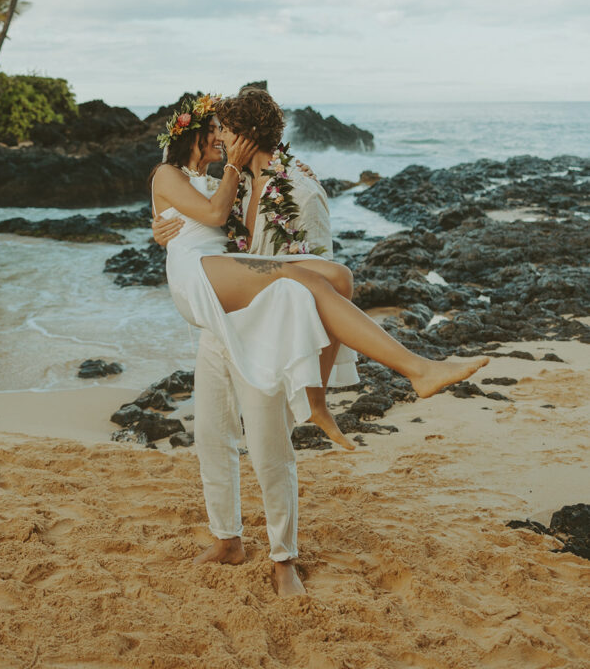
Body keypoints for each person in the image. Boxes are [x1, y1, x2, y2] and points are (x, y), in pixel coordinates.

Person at [149, 91, 488, 596]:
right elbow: (203, 220)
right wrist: (162, 231)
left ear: (243, 137)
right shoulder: (220, 179)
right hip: (218, 321)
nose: (219, 137)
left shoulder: (298, 189)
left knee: (272, 442)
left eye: (225, 130)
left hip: (265, 328)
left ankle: (283, 557)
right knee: (212, 439)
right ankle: (228, 540)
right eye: (213, 130)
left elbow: (293, 251)